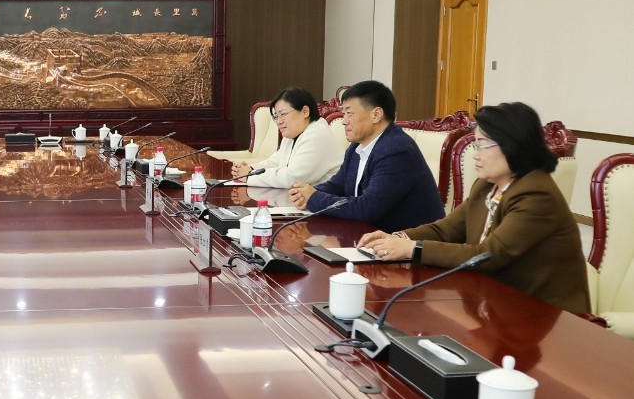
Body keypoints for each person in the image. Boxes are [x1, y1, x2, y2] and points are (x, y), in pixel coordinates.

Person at [358, 102, 590, 314]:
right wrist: (398, 238)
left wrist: (411, 249)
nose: (475, 156)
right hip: (496, 302)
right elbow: (446, 230)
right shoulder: (488, 185)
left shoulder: (536, 195)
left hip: (545, 317)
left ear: (513, 146)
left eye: (482, 146)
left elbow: (488, 255)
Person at [289, 80, 443, 232]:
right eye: (344, 114)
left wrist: (313, 198)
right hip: (370, 236)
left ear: (376, 115)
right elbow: (338, 185)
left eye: (350, 114)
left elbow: (367, 209)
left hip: (409, 241)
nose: (344, 121)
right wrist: (305, 193)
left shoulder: (396, 150)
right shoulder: (357, 147)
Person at [230, 87, 342, 188]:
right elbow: (274, 163)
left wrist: (249, 176)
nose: (279, 121)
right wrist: (250, 169)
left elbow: (292, 178)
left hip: (326, 201)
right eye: (276, 117)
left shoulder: (318, 135)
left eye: (283, 114)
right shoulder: (294, 134)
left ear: (305, 112)